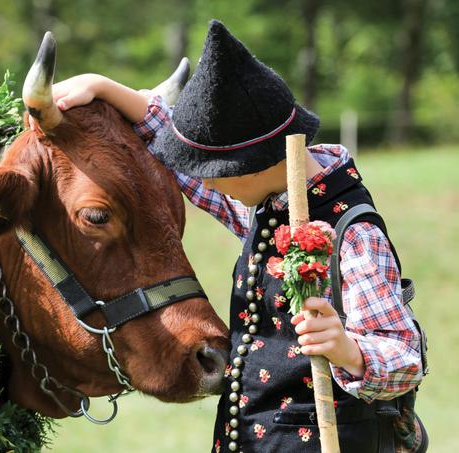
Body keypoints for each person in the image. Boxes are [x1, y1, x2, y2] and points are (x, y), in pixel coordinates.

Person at [32, 20, 424, 453]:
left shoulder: (353, 236)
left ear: (251, 165)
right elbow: (181, 160)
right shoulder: (270, 202)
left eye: (214, 174)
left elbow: (404, 356)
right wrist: (104, 88)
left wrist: (350, 351)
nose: (203, 184)